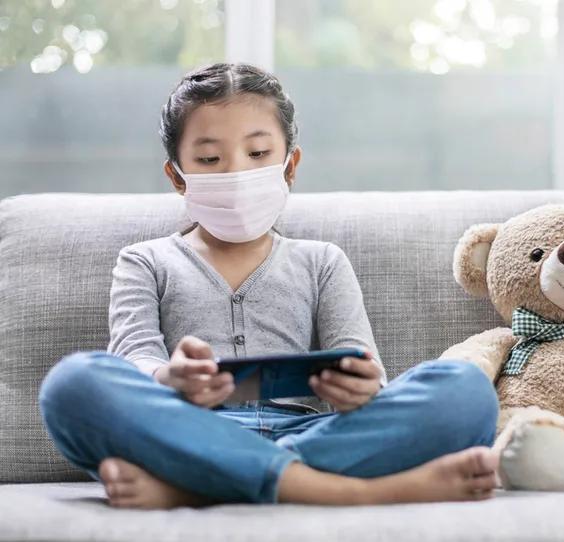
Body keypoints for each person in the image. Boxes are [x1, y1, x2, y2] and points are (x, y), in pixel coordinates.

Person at [37, 62, 500, 509]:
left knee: (465, 391)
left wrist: (362, 389)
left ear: (290, 165)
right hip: (187, 431)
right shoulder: (144, 260)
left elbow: (364, 368)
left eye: (258, 154)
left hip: (305, 434)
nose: (235, 174)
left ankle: (195, 489)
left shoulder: (322, 261)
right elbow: (134, 355)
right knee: (72, 385)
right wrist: (169, 379)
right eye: (209, 158)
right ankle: (344, 492)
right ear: (177, 177)